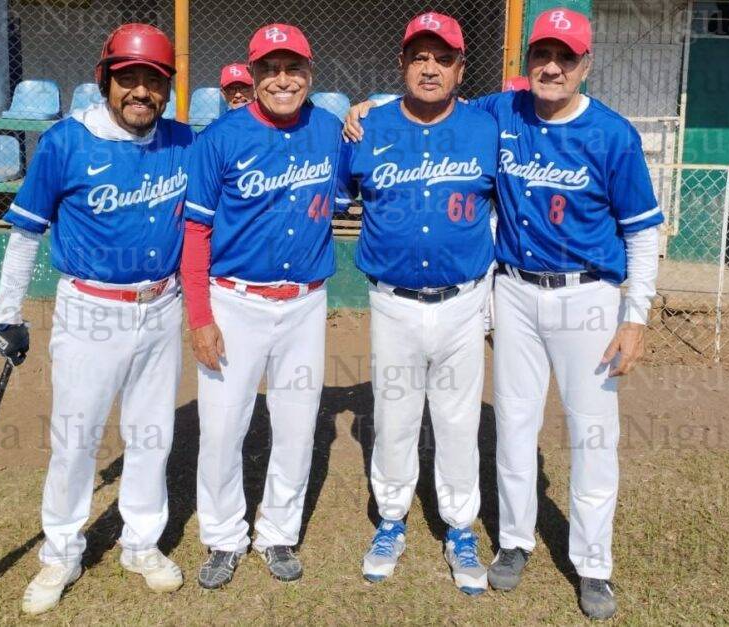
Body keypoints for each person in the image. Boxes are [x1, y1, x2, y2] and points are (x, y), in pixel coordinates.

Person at [344, 7, 663, 620]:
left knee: (593, 433)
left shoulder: (612, 134)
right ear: (524, 68)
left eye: (565, 57)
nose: (551, 67)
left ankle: (593, 565)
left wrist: (635, 315)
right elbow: (423, 102)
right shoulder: (501, 113)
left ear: (584, 65)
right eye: (541, 56)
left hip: (589, 295)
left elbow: (643, 233)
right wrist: (362, 108)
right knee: (514, 424)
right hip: (513, 291)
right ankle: (514, 542)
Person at [0, 23, 194, 615]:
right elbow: (27, 234)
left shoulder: (182, 141)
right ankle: (60, 551)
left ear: (166, 89)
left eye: (152, 81)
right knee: (75, 440)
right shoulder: (65, 142)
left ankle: (140, 542)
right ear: (106, 80)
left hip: (161, 305)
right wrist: (7, 313)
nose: (140, 92)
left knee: (152, 434)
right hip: (90, 308)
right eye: (128, 78)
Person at [338, 12, 498, 595]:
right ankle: (390, 519)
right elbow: (337, 196)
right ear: (403, 64)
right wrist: (358, 110)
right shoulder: (366, 128)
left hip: (463, 299)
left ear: (461, 67)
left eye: (443, 57)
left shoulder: (488, 125)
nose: (430, 67)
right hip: (392, 301)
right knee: (397, 416)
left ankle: (459, 528)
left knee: (458, 420)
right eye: (418, 56)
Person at [181, 23, 343, 587]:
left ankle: (277, 532)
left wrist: (369, 108)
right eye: (269, 69)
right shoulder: (221, 139)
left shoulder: (330, 130)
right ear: (252, 77)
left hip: (304, 304)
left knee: (297, 426)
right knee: (224, 427)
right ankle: (224, 537)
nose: (281, 79)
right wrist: (199, 316)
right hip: (234, 302)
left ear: (309, 74)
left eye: (292, 67)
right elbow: (195, 234)